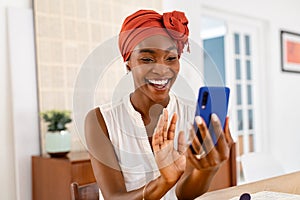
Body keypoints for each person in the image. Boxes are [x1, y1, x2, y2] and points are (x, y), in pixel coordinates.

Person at [85, 9, 233, 200]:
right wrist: (164, 182)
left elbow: (184, 194)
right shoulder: (101, 120)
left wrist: (204, 171)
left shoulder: (193, 115)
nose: (162, 70)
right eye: (147, 59)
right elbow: (114, 197)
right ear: (128, 61)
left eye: (171, 58)